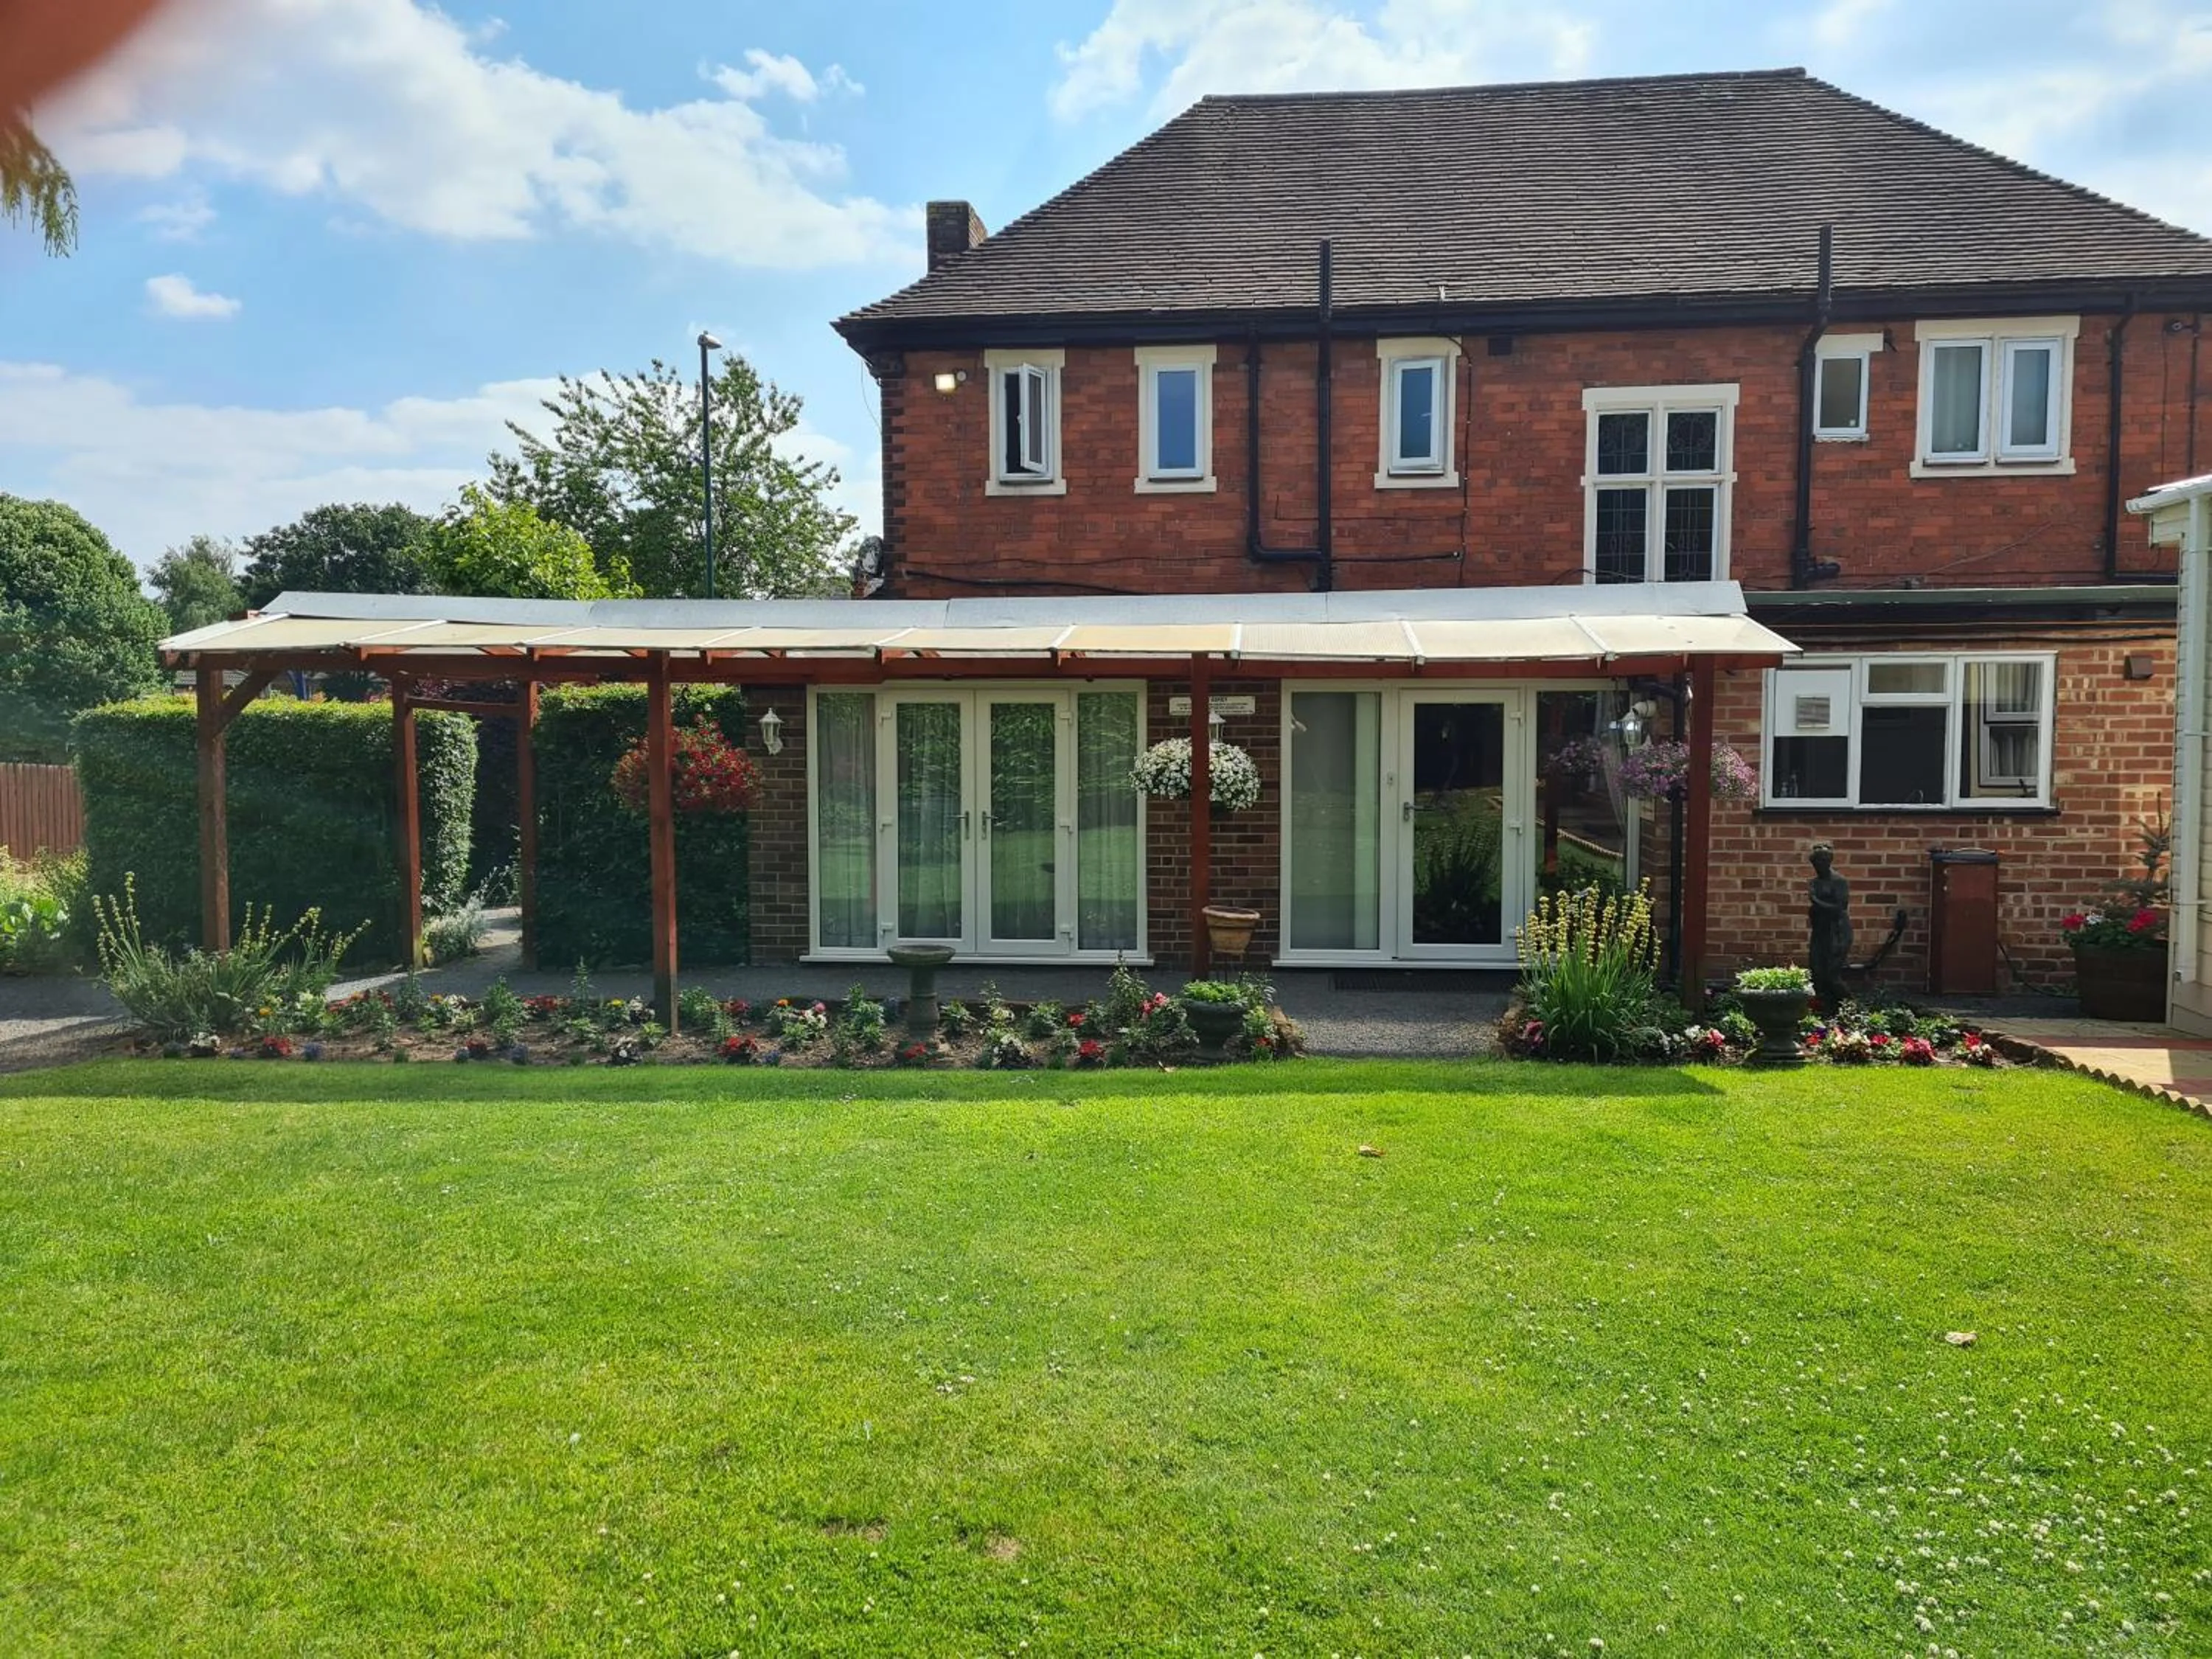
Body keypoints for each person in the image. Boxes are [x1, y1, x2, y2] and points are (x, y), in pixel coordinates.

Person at [1808, 842, 1853, 1009]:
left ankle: (1851, 1008)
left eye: (1822, 862)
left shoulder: (1839, 881)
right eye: (1816, 863)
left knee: (1832, 975)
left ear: (1829, 862)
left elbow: (1839, 908)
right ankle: (1825, 1009)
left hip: (1838, 931)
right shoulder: (1815, 882)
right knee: (1817, 972)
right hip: (1820, 931)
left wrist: (1816, 901)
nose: (1818, 866)